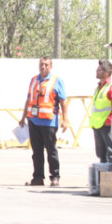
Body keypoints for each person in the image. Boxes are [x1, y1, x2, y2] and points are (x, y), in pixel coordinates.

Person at [19, 56, 69, 187]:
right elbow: (28, 99)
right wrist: (23, 117)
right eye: (42, 64)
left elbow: (63, 101)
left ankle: (55, 176)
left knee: (51, 150)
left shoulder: (57, 81)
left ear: (50, 67)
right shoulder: (34, 80)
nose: (44, 67)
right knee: (36, 151)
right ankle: (38, 177)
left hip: (49, 122)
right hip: (34, 121)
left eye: (46, 65)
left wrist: (65, 120)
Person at [89, 59, 112, 168]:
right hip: (98, 125)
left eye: (99, 70)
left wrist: (109, 121)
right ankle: (103, 179)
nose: (96, 71)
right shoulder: (98, 88)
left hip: (107, 126)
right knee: (101, 153)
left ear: (107, 72)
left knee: (111, 153)